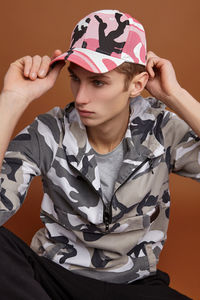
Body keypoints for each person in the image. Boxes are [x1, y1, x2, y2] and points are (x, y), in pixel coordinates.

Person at [0, 9, 199, 300]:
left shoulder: (162, 130)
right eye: (76, 79)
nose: (80, 97)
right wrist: (12, 99)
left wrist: (175, 95)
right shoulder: (48, 132)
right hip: (52, 280)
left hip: (134, 288)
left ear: (137, 85)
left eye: (97, 82)